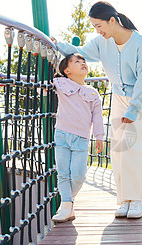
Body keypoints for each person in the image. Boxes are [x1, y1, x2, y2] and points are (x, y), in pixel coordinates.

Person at [53, 1, 142, 219]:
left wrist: (133, 109)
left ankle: (136, 200)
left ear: (112, 20)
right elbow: (79, 52)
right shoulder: (102, 42)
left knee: (132, 147)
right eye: (94, 27)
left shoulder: (139, 43)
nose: (97, 31)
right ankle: (125, 200)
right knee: (118, 149)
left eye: (99, 26)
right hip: (119, 97)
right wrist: (57, 43)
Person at [52, 53, 104, 223]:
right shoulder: (61, 84)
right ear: (67, 70)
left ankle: (67, 201)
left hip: (81, 139)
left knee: (79, 176)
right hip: (61, 135)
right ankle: (67, 206)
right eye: (77, 61)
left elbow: (97, 117)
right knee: (63, 173)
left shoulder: (93, 93)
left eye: (84, 61)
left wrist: (99, 136)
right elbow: (43, 87)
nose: (82, 63)